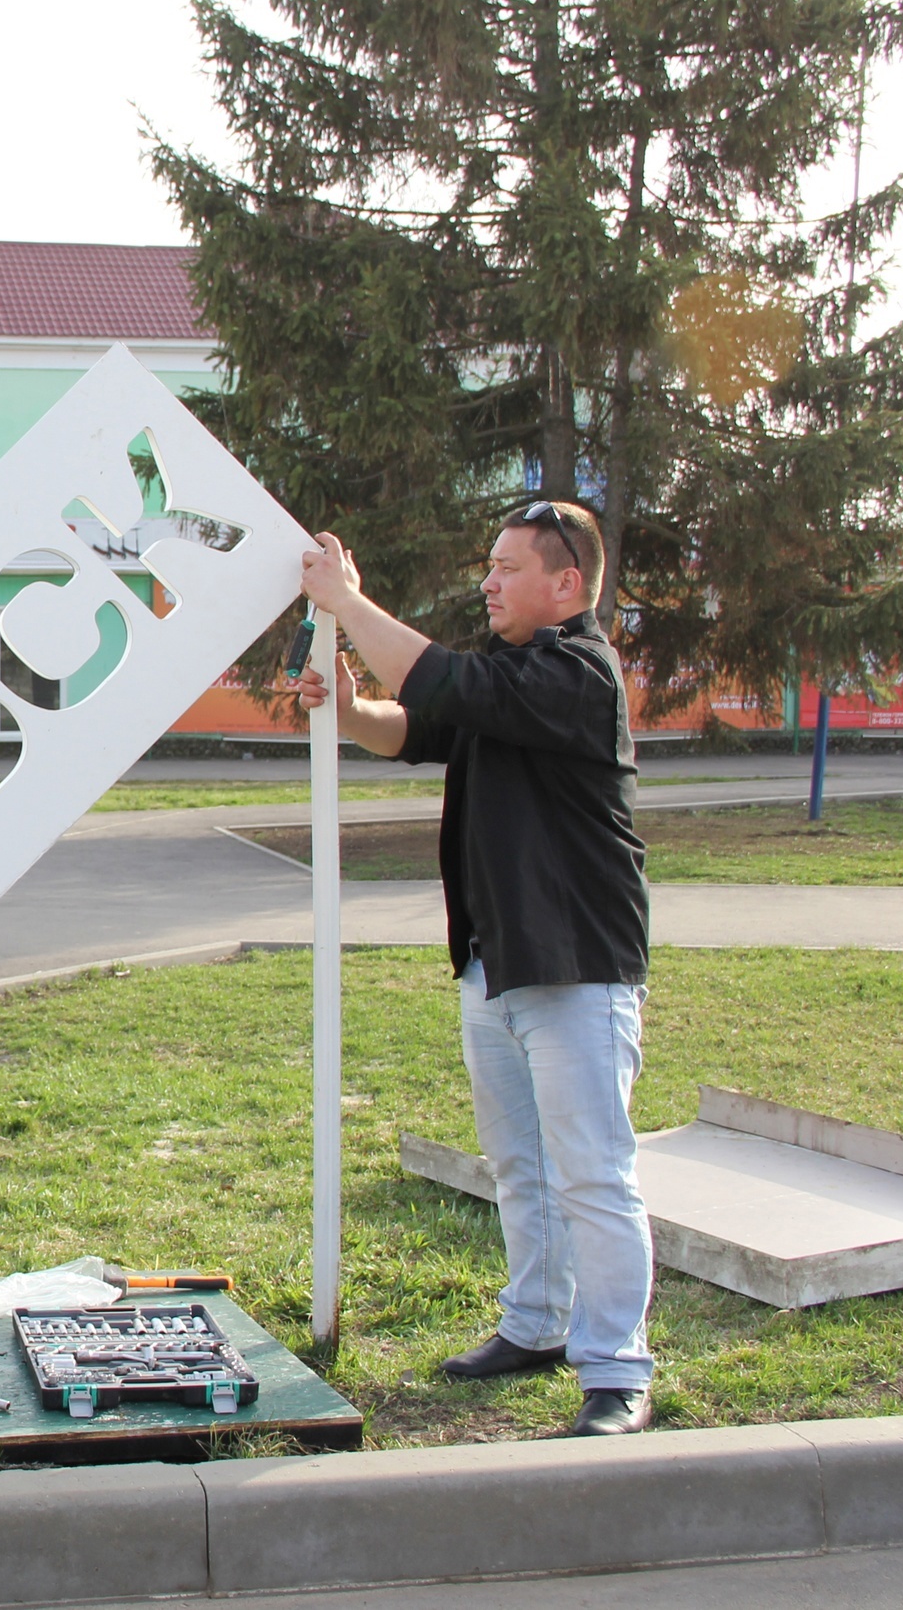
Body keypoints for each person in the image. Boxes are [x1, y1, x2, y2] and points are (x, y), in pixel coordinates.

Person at [292, 499, 654, 1438]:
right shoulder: (512, 677)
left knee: (594, 1174)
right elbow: (410, 725)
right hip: (498, 967)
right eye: (487, 566)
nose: (486, 582)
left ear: (566, 584)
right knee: (522, 1166)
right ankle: (535, 1326)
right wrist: (346, 698)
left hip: (576, 970)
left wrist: (348, 600)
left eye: (506, 567)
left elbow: (437, 674)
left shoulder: (579, 672)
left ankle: (616, 1368)